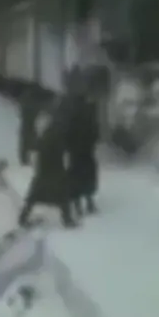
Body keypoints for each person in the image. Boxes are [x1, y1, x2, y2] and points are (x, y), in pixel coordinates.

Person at [17, 107, 78, 229]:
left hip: (46, 168)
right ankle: (67, 220)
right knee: (61, 194)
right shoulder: (55, 132)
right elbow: (61, 148)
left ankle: (23, 218)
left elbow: (40, 149)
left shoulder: (47, 134)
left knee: (35, 195)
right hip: (54, 168)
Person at [64, 70, 101, 216]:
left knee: (75, 174)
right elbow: (94, 127)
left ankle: (78, 203)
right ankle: (88, 202)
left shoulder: (69, 106)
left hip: (76, 147)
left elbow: (66, 127)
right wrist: (93, 140)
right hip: (86, 147)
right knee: (87, 174)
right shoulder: (89, 106)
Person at [18, 86, 43, 167]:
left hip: (27, 125)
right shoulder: (31, 100)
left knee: (26, 141)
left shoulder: (26, 98)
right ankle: (25, 158)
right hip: (29, 125)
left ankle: (25, 158)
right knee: (27, 141)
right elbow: (36, 111)